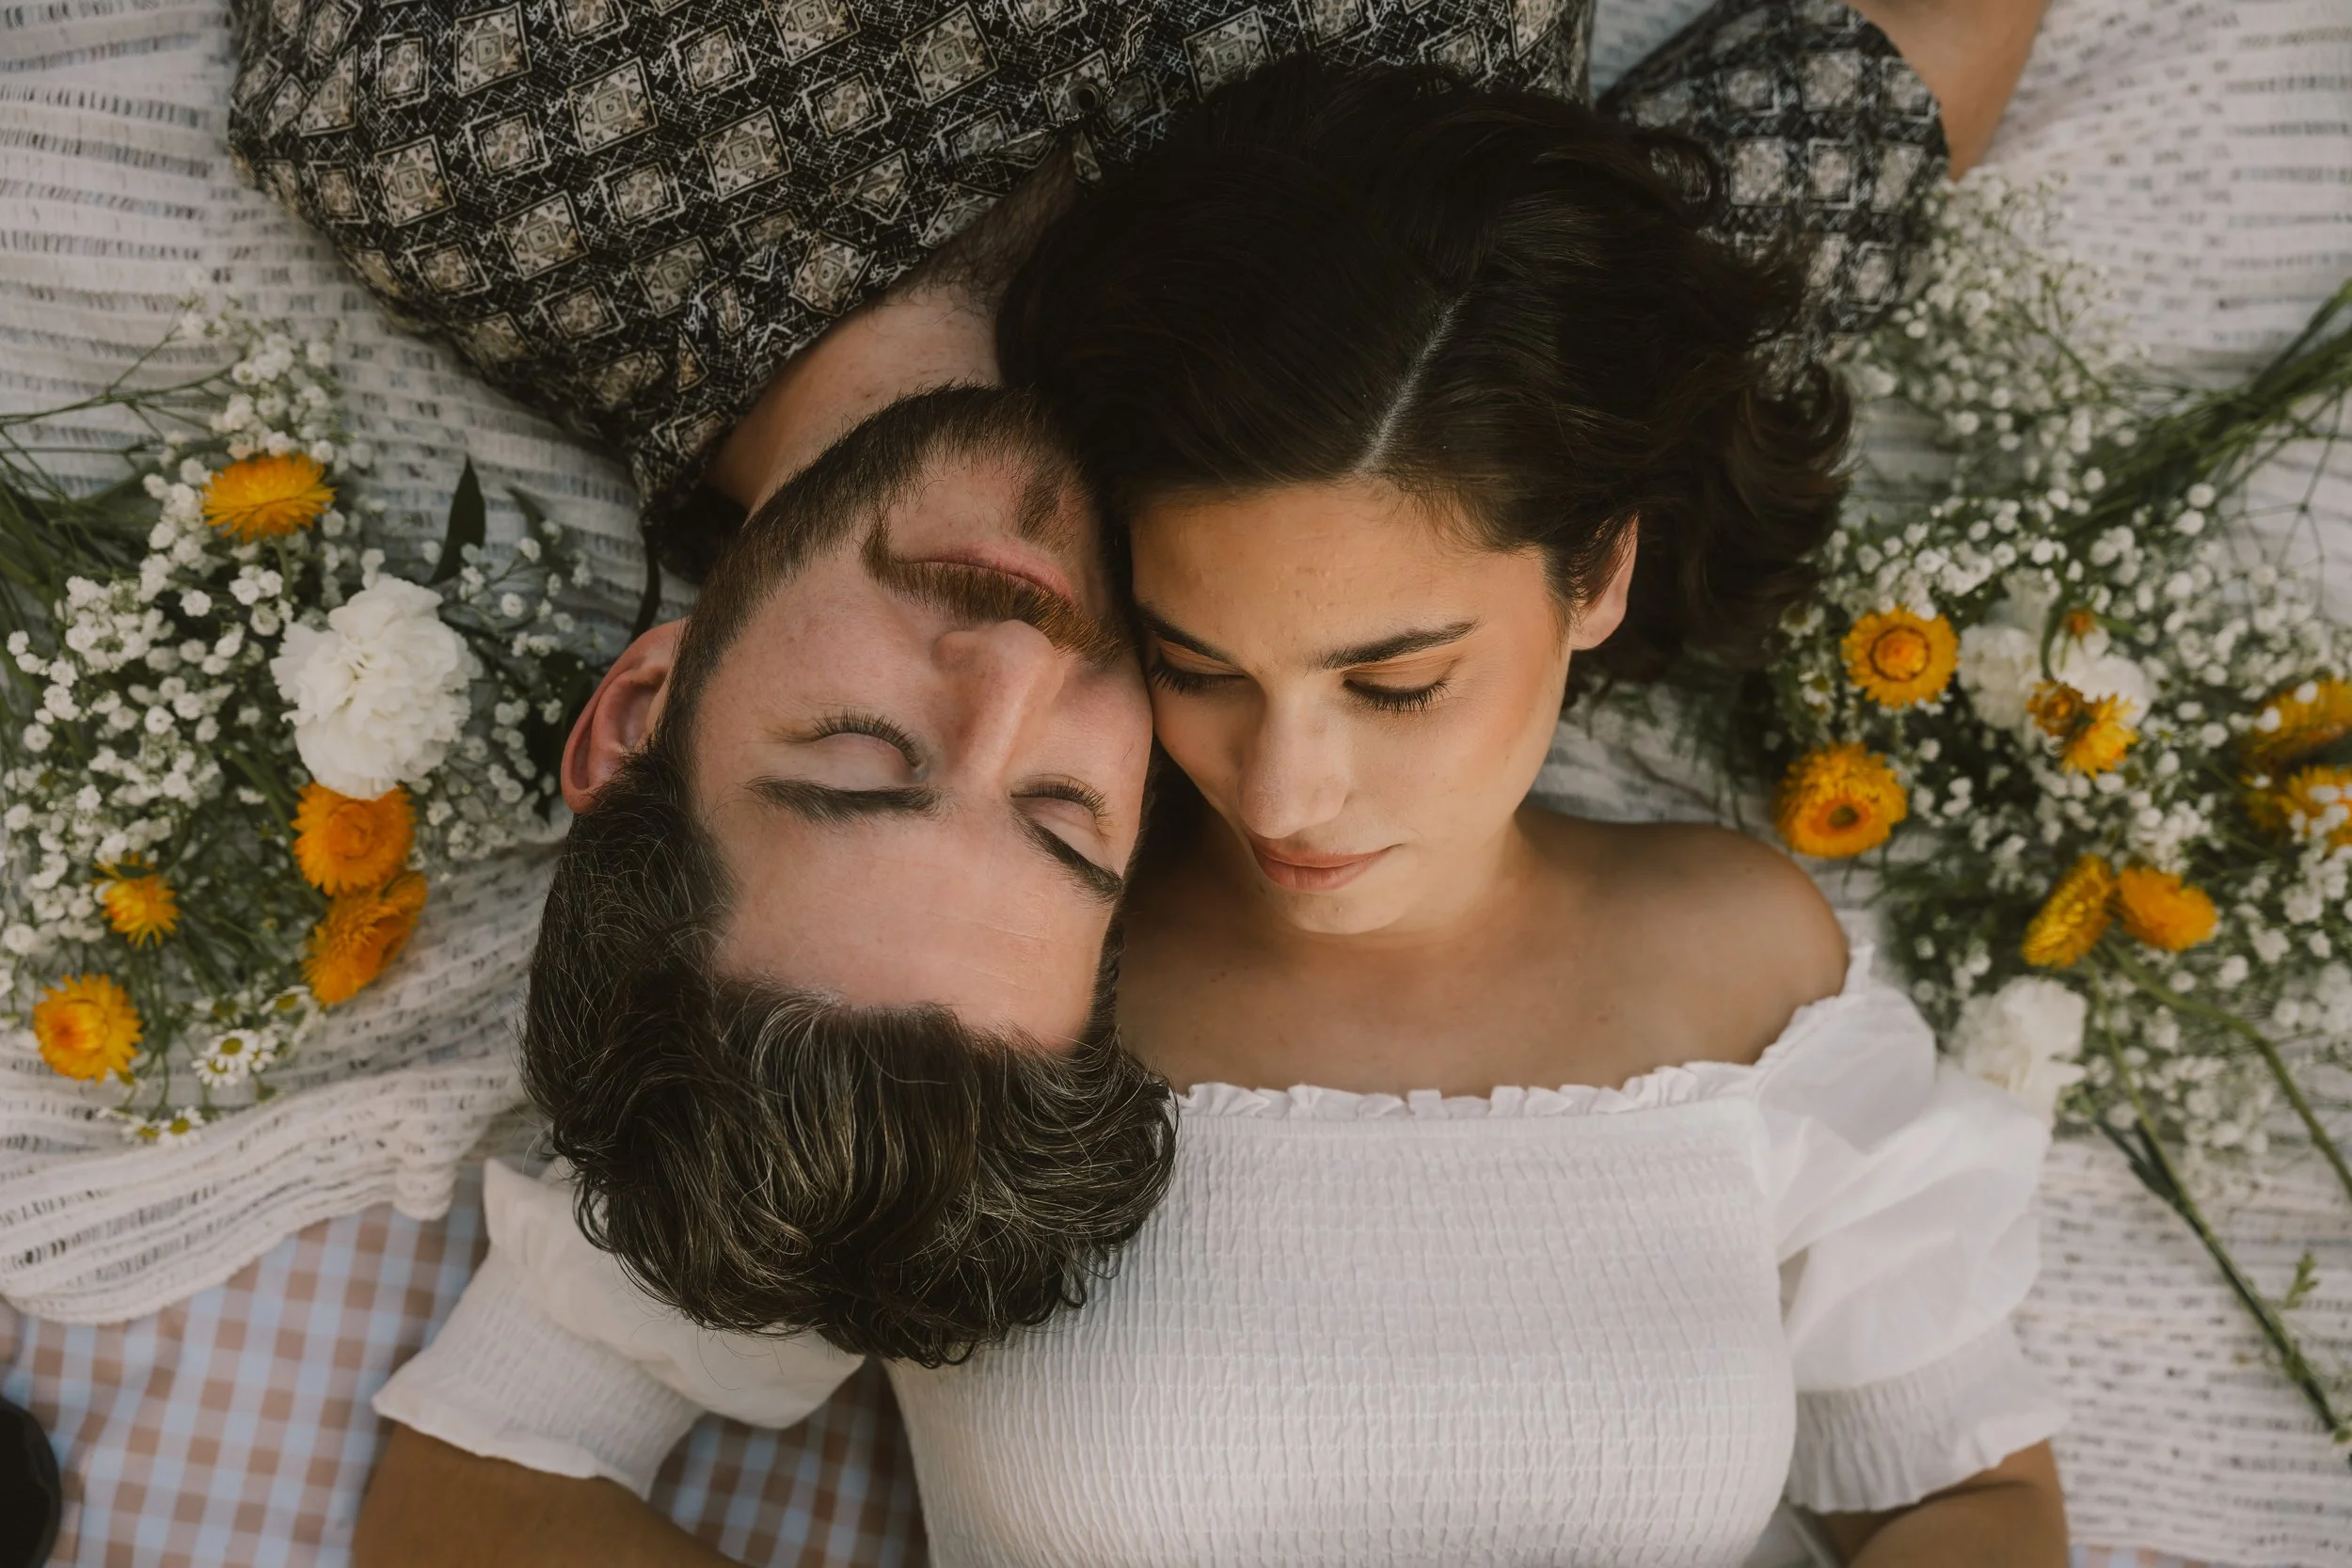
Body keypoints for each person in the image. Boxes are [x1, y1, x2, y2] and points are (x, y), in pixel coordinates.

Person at [354, 22, 2066, 1568]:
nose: (1286, 787)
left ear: (1598, 577)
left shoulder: (1738, 953)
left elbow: (1959, 1471)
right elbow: (492, 1469)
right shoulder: (968, 1028)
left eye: (1395, 682)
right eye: (1186, 662)